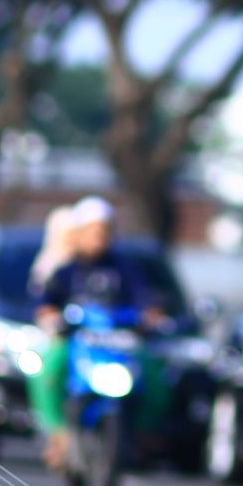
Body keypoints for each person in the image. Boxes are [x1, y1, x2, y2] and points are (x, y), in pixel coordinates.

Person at [34, 196, 169, 466]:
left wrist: (152, 314)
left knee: (153, 375)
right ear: (80, 234)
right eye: (92, 231)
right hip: (78, 341)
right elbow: (46, 302)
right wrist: (50, 315)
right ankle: (58, 435)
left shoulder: (126, 269)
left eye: (104, 231)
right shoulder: (67, 271)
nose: (98, 237)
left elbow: (145, 298)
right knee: (49, 368)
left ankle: (144, 432)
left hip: (118, 343)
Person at [26, 206, 79, 469]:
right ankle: (55, 433)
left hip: (94, 338)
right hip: (58, 337)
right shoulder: (50, 265)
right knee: (45, 372)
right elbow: (42, 305)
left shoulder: (95, 265)